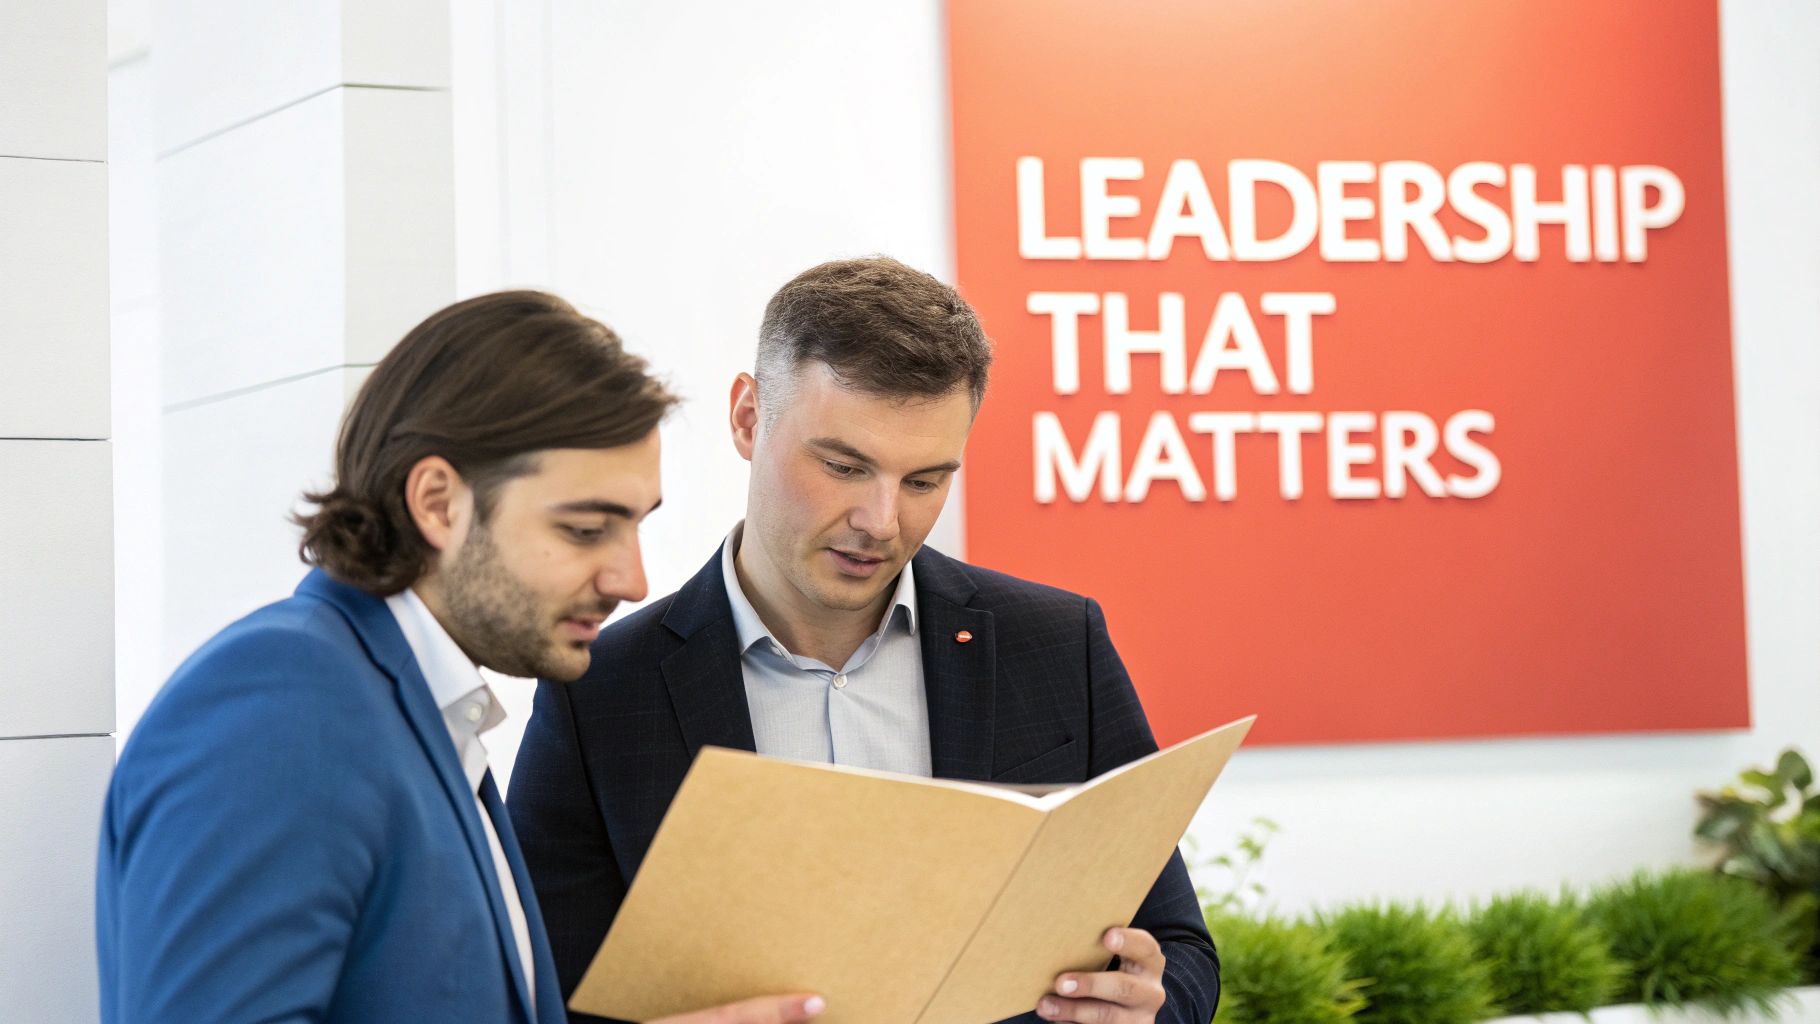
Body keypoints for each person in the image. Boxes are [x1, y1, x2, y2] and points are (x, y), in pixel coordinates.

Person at [509, 258, 1220, 1024]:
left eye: (925, 481)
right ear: (748, 419)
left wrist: (1152, 1004)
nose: (882, 522)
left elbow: (1180, 947)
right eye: (845, 467)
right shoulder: (600, 691)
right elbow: (535, 999)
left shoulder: (1056, 646)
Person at [96, 291, 826, 1024]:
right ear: (439, 502)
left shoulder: (407, 712)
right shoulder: (279, 706)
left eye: (634, 528)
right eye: (583, 530)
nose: (630, 581)